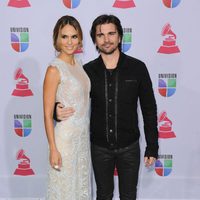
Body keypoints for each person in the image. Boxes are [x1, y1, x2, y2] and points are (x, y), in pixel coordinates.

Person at [55, 14, 158, 200]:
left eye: (111, 33)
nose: (106, 39)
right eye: (100, 35)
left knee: (129, 195)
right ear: (95, 39)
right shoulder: (87, 71)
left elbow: (149, 109)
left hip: (130, 147)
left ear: (119, 36)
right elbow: (70, 99)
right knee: (103, 195)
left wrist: (152, 146)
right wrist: (56, 109)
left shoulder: (138, 68)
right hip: (99, 148)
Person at [43, 15, 91, 200]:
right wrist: (53, 149)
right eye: (64, 37)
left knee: (79, 190)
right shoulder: (54, 69)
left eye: (73, 36)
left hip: (82, 140)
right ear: (57, 39)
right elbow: (47, 114)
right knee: (65, 191)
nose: (69, 42)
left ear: (79, 38)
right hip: (65, 141)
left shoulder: (79, 65)